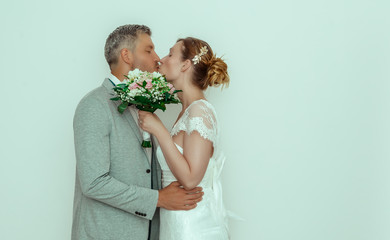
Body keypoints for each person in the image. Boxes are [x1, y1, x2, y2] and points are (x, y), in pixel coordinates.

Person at [72, 25, 203, 240]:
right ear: (126, 55)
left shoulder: (145, 103)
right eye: (149, 50)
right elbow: (93, 183)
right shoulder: (94, 105)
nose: (157, 57)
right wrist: (159, 199)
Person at [138, 37, 230, 239]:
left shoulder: (199, 111)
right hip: (176, 223)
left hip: (193, 226)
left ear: (185, 65)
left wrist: (159, 130)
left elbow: (190, 179)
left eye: (170, 54)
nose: (161, 59)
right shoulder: (187, 111)